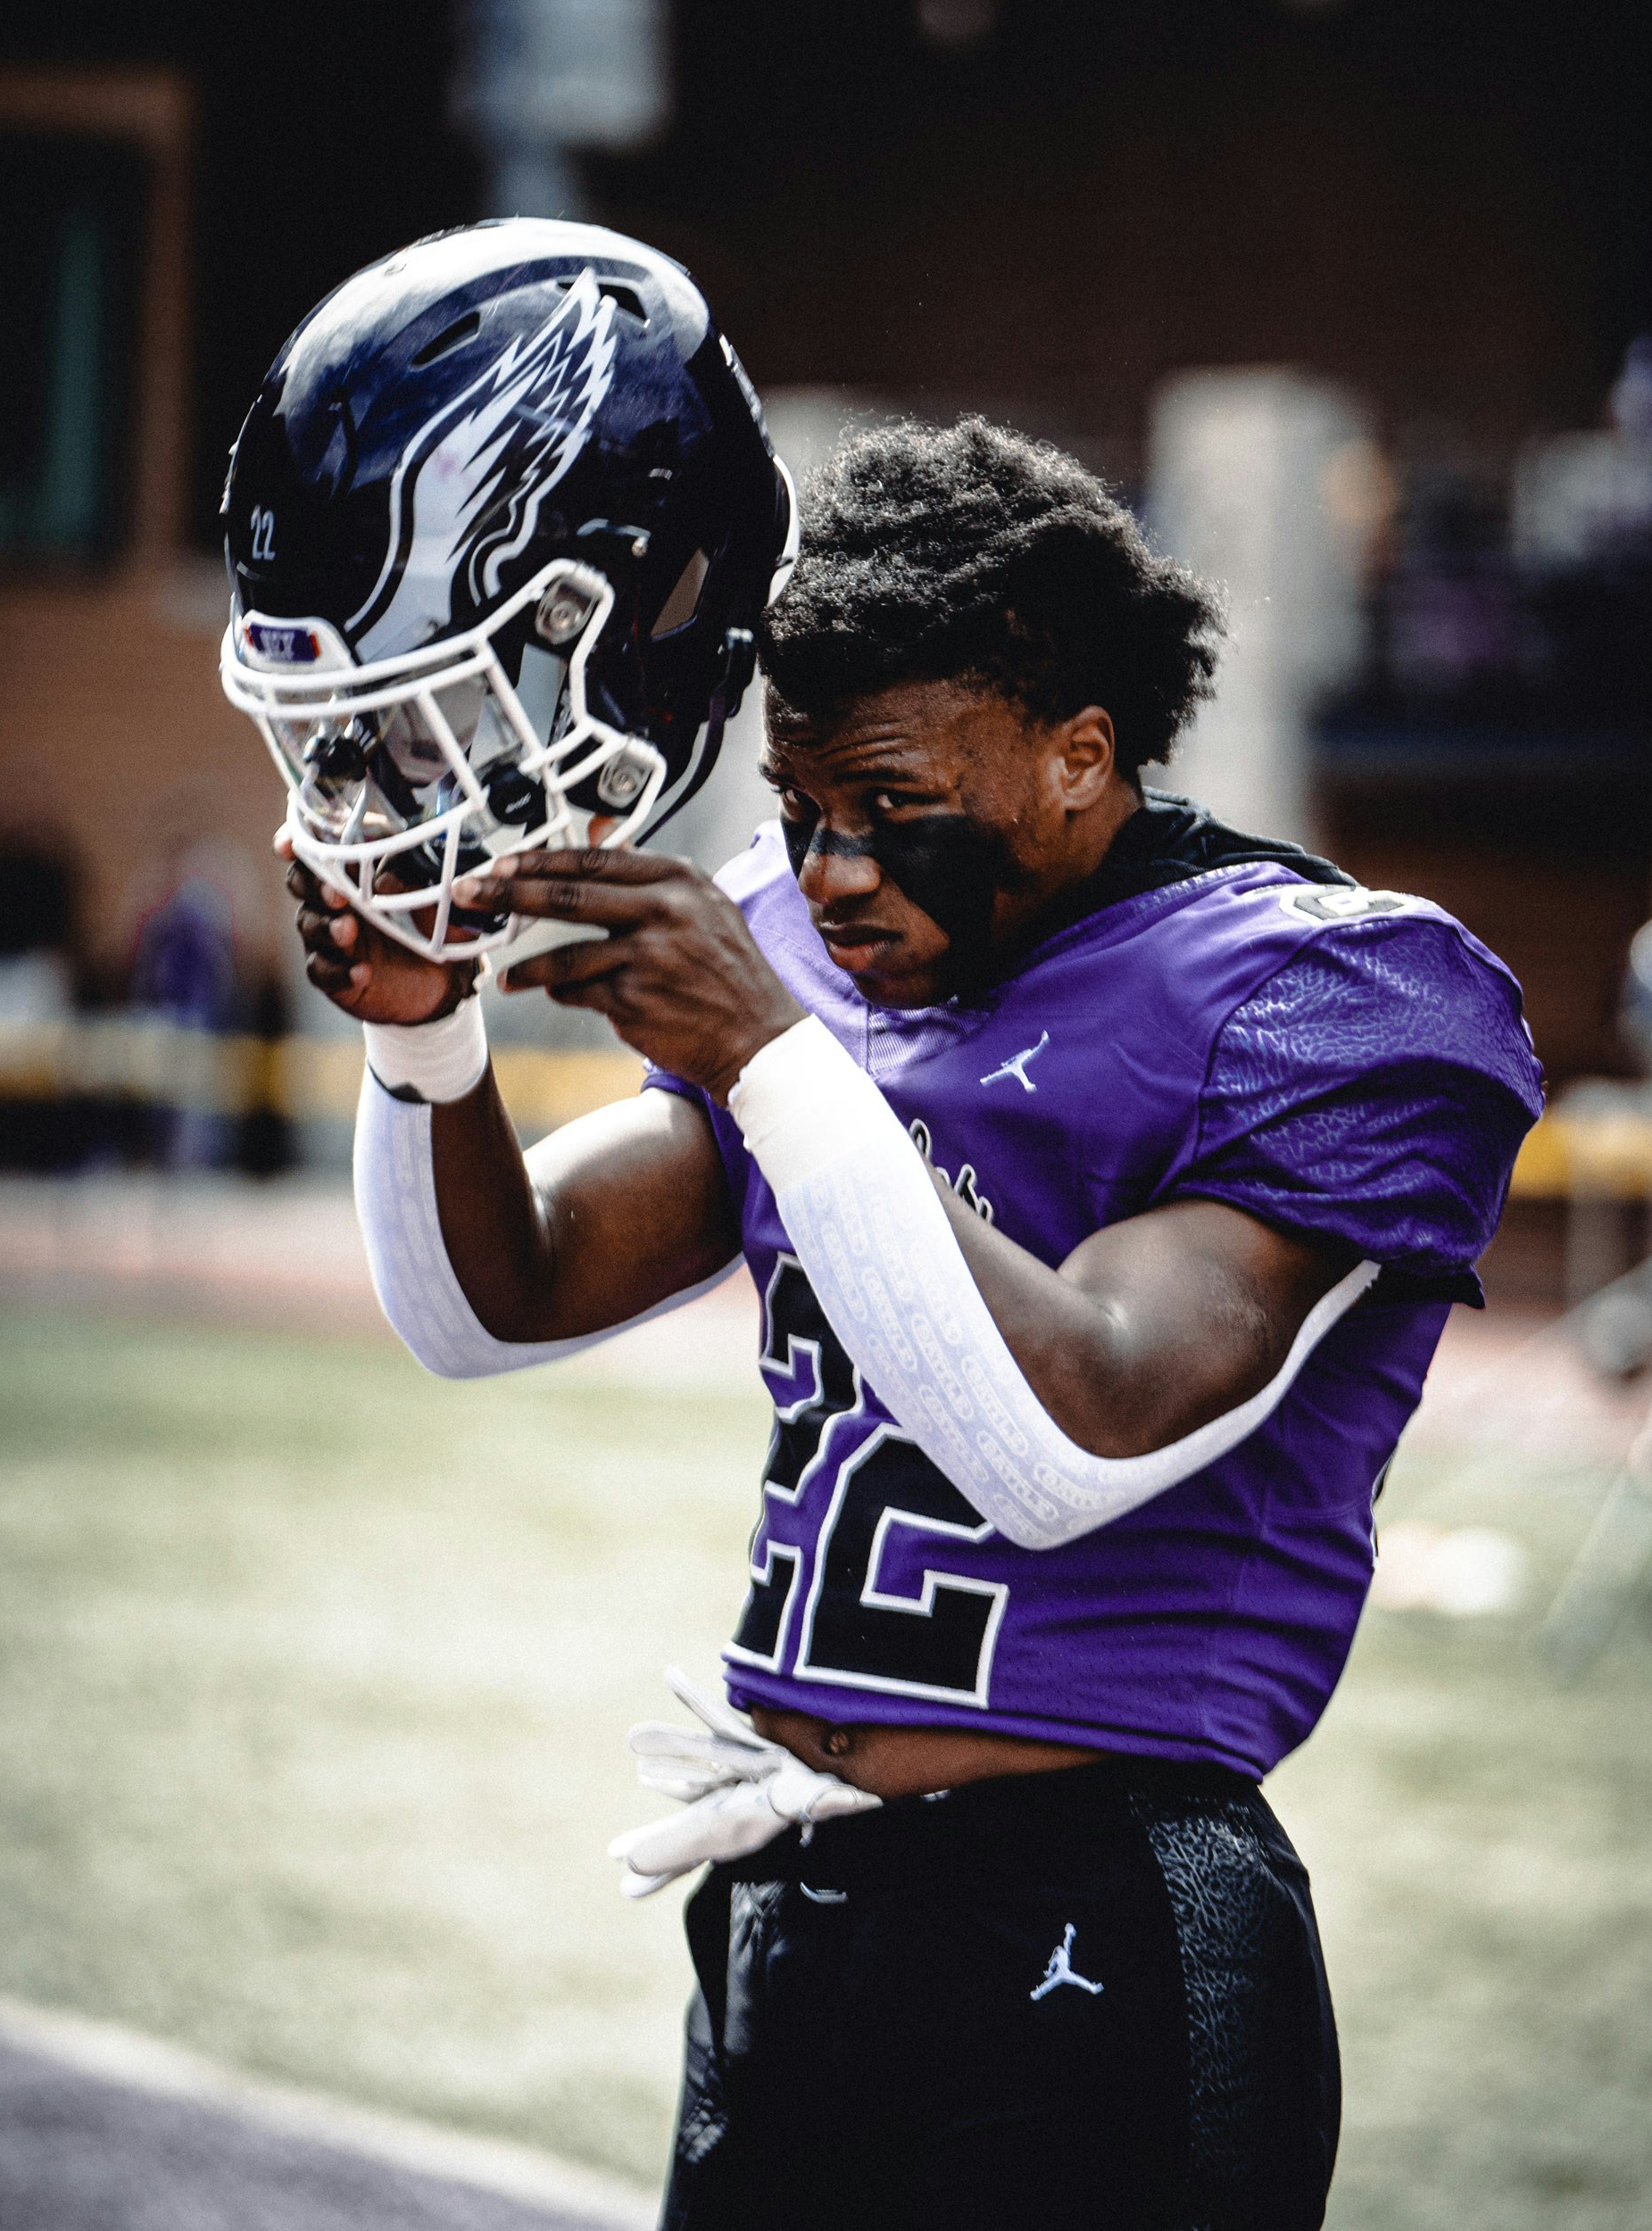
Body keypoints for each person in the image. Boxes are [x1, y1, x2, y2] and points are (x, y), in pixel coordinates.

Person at [234, 264, 1540, 2224]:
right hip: (796, 1900)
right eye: (799, 805)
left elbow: (1078, 1430)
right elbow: (492, 1303)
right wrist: (425, 1030)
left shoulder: (1329, 990)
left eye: (891, 809)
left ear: (1079, 751)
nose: (827, 872)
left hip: (1100, 1903)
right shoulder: (809, 961)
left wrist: (768, 1061)